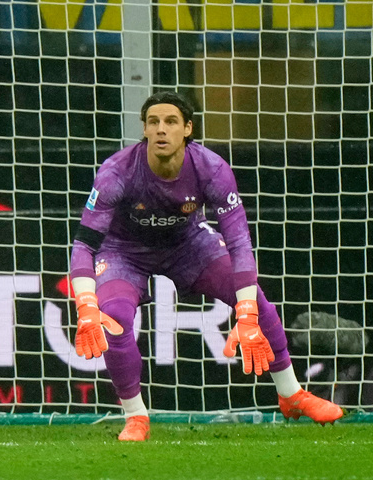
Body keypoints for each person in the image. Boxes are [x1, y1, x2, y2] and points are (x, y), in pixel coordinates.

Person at [68, 90, 343, 441]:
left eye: (170, 122)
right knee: (114, 320)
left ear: (187, 129)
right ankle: (136, 417)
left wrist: (244, 311)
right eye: (153, 123)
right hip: (124, 252)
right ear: (145, 130)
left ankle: (292, 395)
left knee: (256, 302)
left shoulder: (212, 169)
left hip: (189, 244)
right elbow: (84, 245)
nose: (161, 130)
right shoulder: (115, 173)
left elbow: (240, 242)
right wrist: (86, 304)